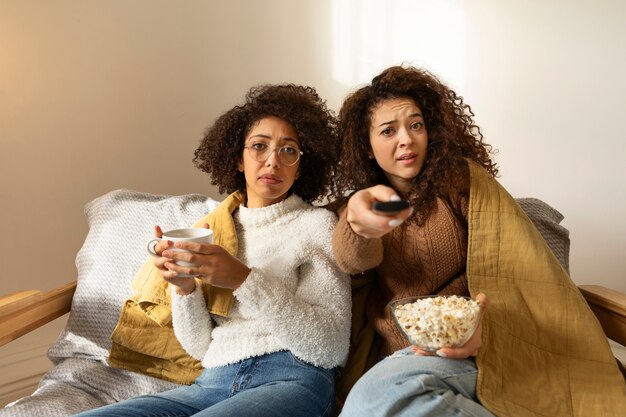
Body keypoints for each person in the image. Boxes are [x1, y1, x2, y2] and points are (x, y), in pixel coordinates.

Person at [331, 65, 625, 416]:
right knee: (376, 397)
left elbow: (512, 272)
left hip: (483, 345)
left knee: (373, 400)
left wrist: (482, 327)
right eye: (388, 131)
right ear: (366, 146)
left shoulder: (463, 184)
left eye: (416, 125)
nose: (406, 139)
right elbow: (353, 259)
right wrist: (359, 222)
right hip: (410, 356)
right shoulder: (359, 204)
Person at [75, 84, 351, 417]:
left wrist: (242, 279)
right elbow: (200, 347)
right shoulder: (214, 229)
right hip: (213, 381)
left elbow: (330, 348)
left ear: (302, 165)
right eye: (259, 147)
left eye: (288, 150)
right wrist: (184, 288)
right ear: (238, 158)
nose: (272, 161)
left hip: (292, 379)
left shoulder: (316, 226)